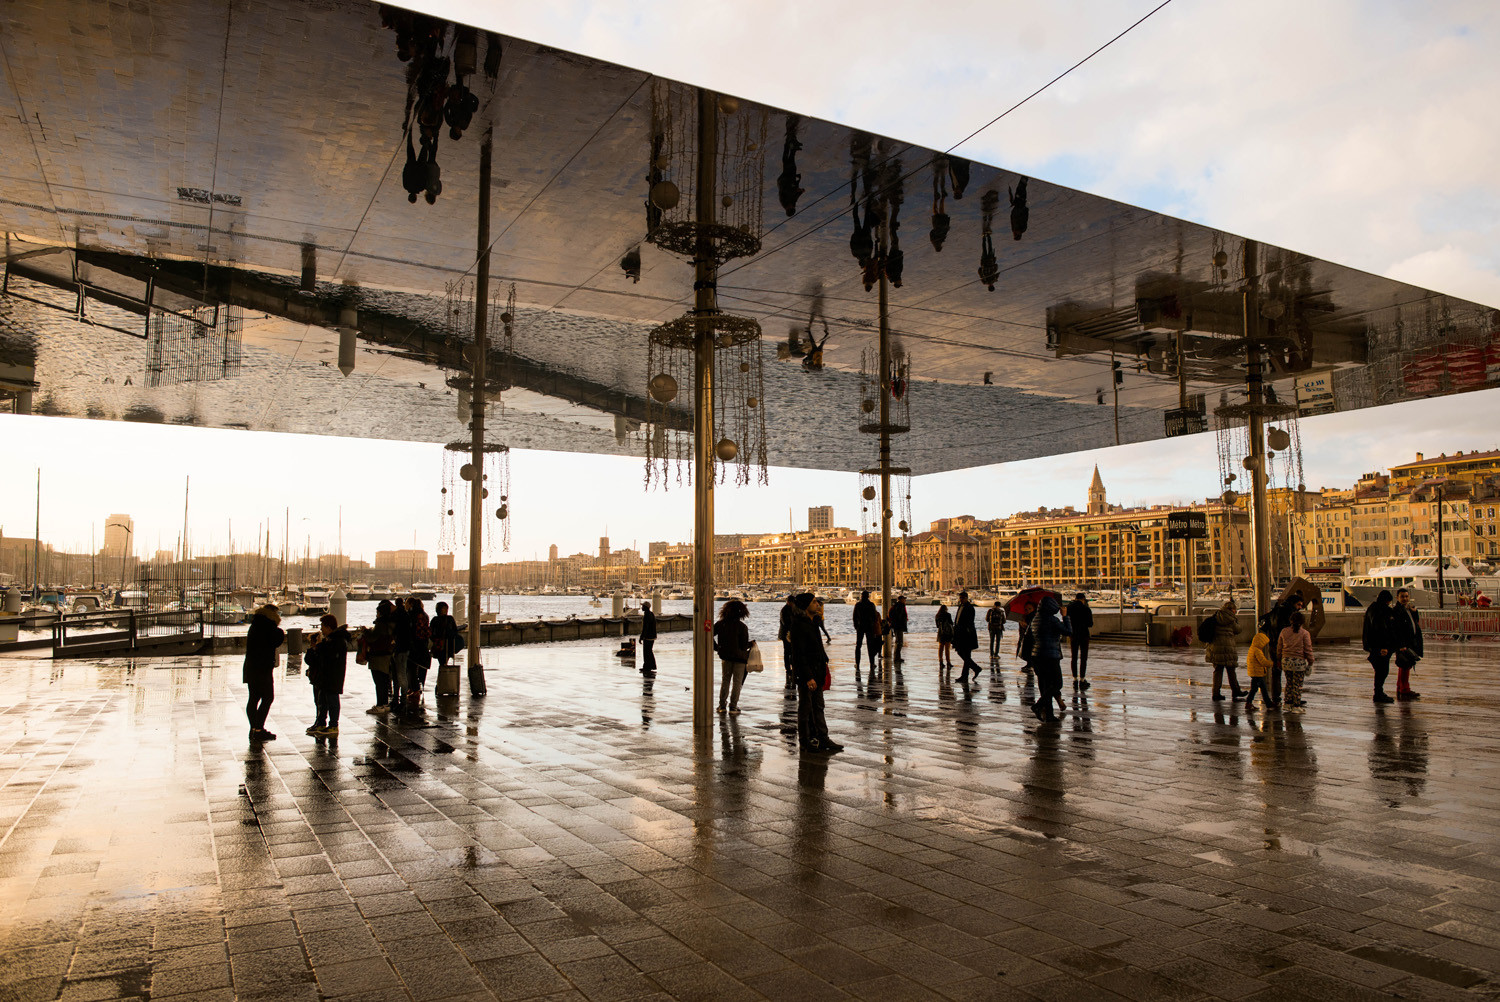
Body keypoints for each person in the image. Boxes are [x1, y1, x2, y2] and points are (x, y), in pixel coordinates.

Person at [789, 592, 841, 752]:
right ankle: (805, 741)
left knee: (818, 706)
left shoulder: (814, 622)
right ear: (805, 606)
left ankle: (823, 738)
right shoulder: (799, 625)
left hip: (818, 671)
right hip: (807, 674)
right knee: (805, 708)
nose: (817, 604)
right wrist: (808, 676)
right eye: (813, 602)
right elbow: (799, 654)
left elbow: (818, 646)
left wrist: (824, 660)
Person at [243, 604, 285, 742]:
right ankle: (258, 729)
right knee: (268, 697)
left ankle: (254, 728)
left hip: (251, 667)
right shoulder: (268, 625)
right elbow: (276, 640)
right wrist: (280, 631)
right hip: (262, 668)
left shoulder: (255, 624)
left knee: (253, 698)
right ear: (272, 613)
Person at [304, 613, 350, 738]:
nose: (321, 629)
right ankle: (321, 723)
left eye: (322, 626)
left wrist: (318, 647)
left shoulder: (336, 641)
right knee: (322, 701)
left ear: (328, 627)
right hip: (325, 676)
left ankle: (333, 725)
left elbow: (329, 656)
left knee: (332, 701)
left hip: (332, 676)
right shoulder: (329, 640)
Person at [1030, 594, 1070, 722]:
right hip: (1050, 656)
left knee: (1044, 686)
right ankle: (1038, 706)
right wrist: (1065, 616)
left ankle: (1049, 714)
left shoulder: (1035, 619)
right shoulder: (1052, 620)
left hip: (1037, 655)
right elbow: (1068, 631)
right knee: (1057, 683)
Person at [713, 599, 753, 714]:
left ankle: (722, 706)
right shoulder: (742, 627)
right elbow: (743, 646)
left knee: (725, 680)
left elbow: (709, 635)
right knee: (737, 682)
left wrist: (717, 647)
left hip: (725, 656)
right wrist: (751, 644)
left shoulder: (720, 624)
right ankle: (733, 706)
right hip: (740, 658)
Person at [1204, 600, 1244, 701]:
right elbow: (1238, 630)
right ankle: (1236, 691)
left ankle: (1216, 693)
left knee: (1218, 671)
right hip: (1228, 648)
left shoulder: (1216, 616)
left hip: (1216, 648)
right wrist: (1236, 620)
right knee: (1231, 670)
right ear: (1232, 610)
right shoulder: (1231, 619)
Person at [1362, 590, 1396, 704]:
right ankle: (1378, 693)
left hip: (1373, 645)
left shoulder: (1372, 609)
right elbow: (1381, 629)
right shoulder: (1381, 611)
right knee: (1382, 671)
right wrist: (1384, 647)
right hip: (1380, 647)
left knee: (1380, 671)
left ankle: (1379, 692)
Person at [362, 600, 396, 713]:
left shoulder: (380, 624)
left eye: (377, 612)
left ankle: (380, 705)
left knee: (379, 681)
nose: (376, 615)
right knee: (385, 681)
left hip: (377, 656)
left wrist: (365, 631)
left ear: (381, 613)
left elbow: (372, 638)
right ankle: (385, 704)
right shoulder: (391, 624)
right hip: (387, 655)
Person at [1392, 587, 1424, 701]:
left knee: (1406, 665)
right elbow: (1397, 629)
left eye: (1406, 596)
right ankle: (1404, 689)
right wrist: (1401, 645)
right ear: (1397, 597)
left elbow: (1415, 622)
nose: (1405, 599)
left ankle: (1401, 687)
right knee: (1404, 665)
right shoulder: (1397, 610)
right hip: (1403, 643)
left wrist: (1415, 612)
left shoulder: (1409, 609)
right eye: (1402, 597)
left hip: (1410, 642)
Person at [1278, 610, 1314, 708]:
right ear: (1302, 622)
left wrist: (1279, 659)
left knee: (1289, 683)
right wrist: (1310, 661)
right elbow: (1308, 649)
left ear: (1291, 620)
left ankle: (1287, 703)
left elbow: (1279, 647)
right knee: (1297, 684)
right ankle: (1296, 705)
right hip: (1298, 663)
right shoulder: (1304, 633)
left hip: (1286, 661)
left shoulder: (1284, 631)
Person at [404, 597, 431, 709]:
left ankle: (414, 689)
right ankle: (416, 687)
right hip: (423, 644)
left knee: (411, 667)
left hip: (414, 644)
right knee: (418, 668)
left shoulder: (412, 615)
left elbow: (411, 631)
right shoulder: (424, 615)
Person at [389, 597, 414, 708]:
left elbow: (394, 632)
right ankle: (403, 698)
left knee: (398, 675)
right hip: (406, 647)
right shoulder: (406, 615)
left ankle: (399, 699)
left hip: (399, 648)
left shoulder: (395, 616)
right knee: (402, 673)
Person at [1245, 620, 1274, 710]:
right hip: (1257, 673)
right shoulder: (1257, 650)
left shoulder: (1252, 648)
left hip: (1255, 672)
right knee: (1254, 689)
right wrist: (1272, 663)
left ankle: (1268, 703)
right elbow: (1263, 662)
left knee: (1263, 689)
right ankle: (1248, 702)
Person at [1066, 593, 1093, 689]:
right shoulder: (1086, 609)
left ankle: (1075, 679)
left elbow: (1066, 620)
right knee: (1083, 658)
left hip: (1073, 634)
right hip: (1084, 635)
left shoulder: (1069, 608)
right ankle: (1082, 679)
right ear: (1083, 599)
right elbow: (1090, 624)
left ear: (1075, 598)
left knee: (1074, 657)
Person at [429, 601, 460, 683]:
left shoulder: (436, 620)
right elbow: (454, 631)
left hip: (442, 645)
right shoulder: (449, 619)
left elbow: (430, 632)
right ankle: (443, 681)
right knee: (443, 662)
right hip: (445, 645)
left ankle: (441, 681)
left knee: (442, 662)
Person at [953, 591, 980, 683]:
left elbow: (969, 622)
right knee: (962, 653)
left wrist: (965, 630)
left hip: (966, 635)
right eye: (960, 598)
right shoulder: (960, 606)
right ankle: (975, 668)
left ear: (966, 598)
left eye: (963, 598)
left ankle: (965, 675)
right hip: (959, 633)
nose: (961, 599)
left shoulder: (970, 608)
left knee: (966, 654)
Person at [852, 590, 881, 671]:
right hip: (869, 627)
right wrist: (872, 625)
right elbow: (874, 617)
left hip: (860, 627)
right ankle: (872, 663)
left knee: (858, 645)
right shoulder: (871, 605)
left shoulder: (858, 605)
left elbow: (854, 616)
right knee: (870, 645)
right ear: (868, 596)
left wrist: (856, 626)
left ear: (861, 596)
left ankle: (857, 663)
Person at [778, 594, 798, 688]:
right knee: (787, 652)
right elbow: (785, 623)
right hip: (786, 634)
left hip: (790, 633)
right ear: (789, 602)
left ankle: (791, 668)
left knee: (791, 652)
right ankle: (788, 670)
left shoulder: (792, 609)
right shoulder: (784, 610)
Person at [1015, 602, 1037, 673]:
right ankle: (1029, 664)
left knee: (1030, 651)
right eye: (1026, 609)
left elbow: (1034, 628)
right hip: (1026, 637)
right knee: (1027, 651)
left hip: (1032, 638)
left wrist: (1026, 626)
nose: (1028, 611)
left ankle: (1030, 665)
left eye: (1030, 609)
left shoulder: (1035, 617)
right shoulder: (1025, 617)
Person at [639, 601, 658, 674]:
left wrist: (641, 637)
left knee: (646, 652)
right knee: (649, 651)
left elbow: (645, 627)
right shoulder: (651, 614)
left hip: (648, 636)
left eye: (643, 606)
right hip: (652, 636)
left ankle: (647, 667)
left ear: (646, 607)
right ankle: (651, 666)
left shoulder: (646, 615)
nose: (642, 607)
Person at [888, 595, 908, 663]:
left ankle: (897, 657)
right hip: (899, 626)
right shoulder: (900, 606)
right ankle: (897, 658)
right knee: (899, 642)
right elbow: (899, 616)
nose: (905, 600)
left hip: (896, 626)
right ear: (901, 599)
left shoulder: (896, 605)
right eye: (904, 599)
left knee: (898, 642)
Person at [934, 603, 954, 669]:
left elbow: (937, 626)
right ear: (946, 609)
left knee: (940, 648)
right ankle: (948, 662)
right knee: (947, 649)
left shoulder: (937, 615)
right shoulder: (948, 615)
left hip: (940, 633)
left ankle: (941, 661)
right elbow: (951, 623)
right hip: (947, 633)